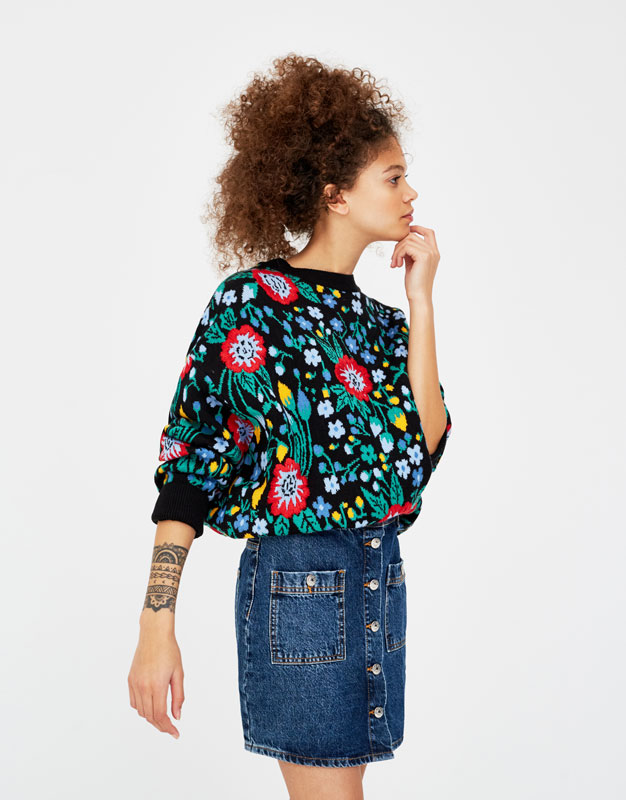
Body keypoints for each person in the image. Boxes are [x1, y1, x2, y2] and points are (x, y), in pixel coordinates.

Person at [128, 53, 452, 800]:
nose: (411, 193)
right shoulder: (251, 305)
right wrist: (156, 625)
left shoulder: (382, 326)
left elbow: (425, 445)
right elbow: (191, 463)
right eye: (393, 177)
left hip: (378, 581)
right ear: (335, 194)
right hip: (300, 588)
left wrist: (422, 304)